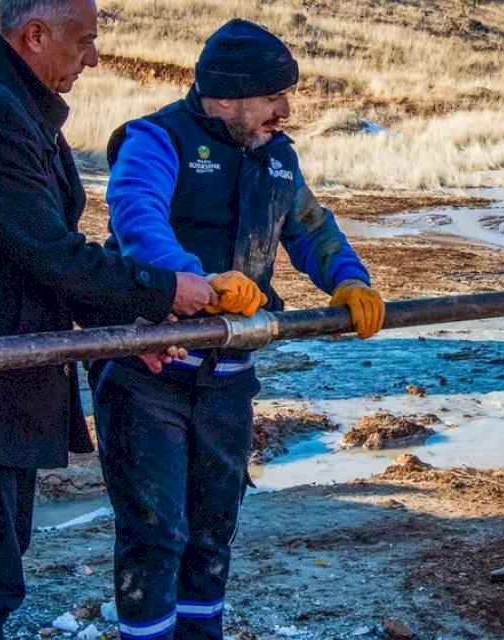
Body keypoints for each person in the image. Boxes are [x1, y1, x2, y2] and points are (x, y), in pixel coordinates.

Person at [0, 1, 220, 638]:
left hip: (6, 376)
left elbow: (37, 260)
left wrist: (122, 335)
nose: (93, 57)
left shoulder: (15, 106)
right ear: (35, 35)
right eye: (83, 41)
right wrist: (164, 291)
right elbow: (51, 255)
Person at [92, 19, 385, 639]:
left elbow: (311, 228)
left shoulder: (277, 157)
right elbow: (138, 219)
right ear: (225, 97)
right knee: (154, 533)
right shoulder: (155, 140)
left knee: (212, 532)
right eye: (273, 96)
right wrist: (198, 282)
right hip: (149, 374)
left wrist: (350, 281)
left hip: (228, 380)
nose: (286, 111)